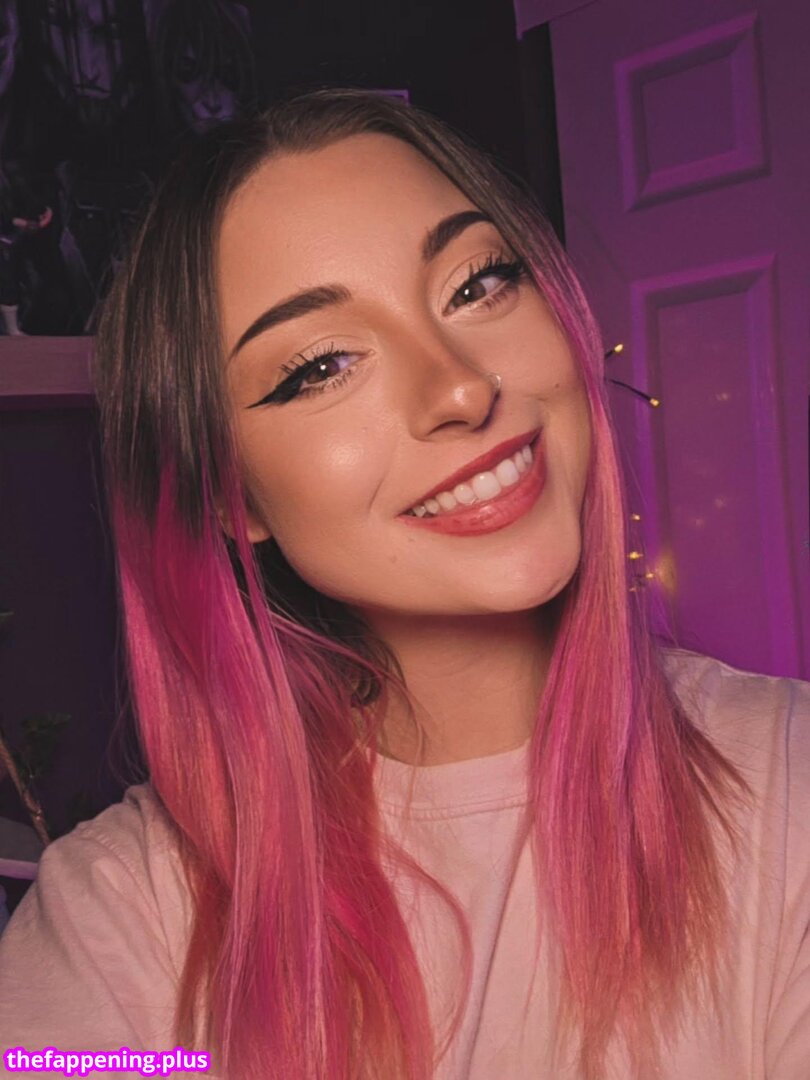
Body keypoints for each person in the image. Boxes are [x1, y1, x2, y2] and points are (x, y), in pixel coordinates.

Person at [0, 87, 808, 1080]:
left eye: (477, 284)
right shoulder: (115, 919)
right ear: (228, 495)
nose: (460, 386)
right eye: (321, 366)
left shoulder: (789, 786)